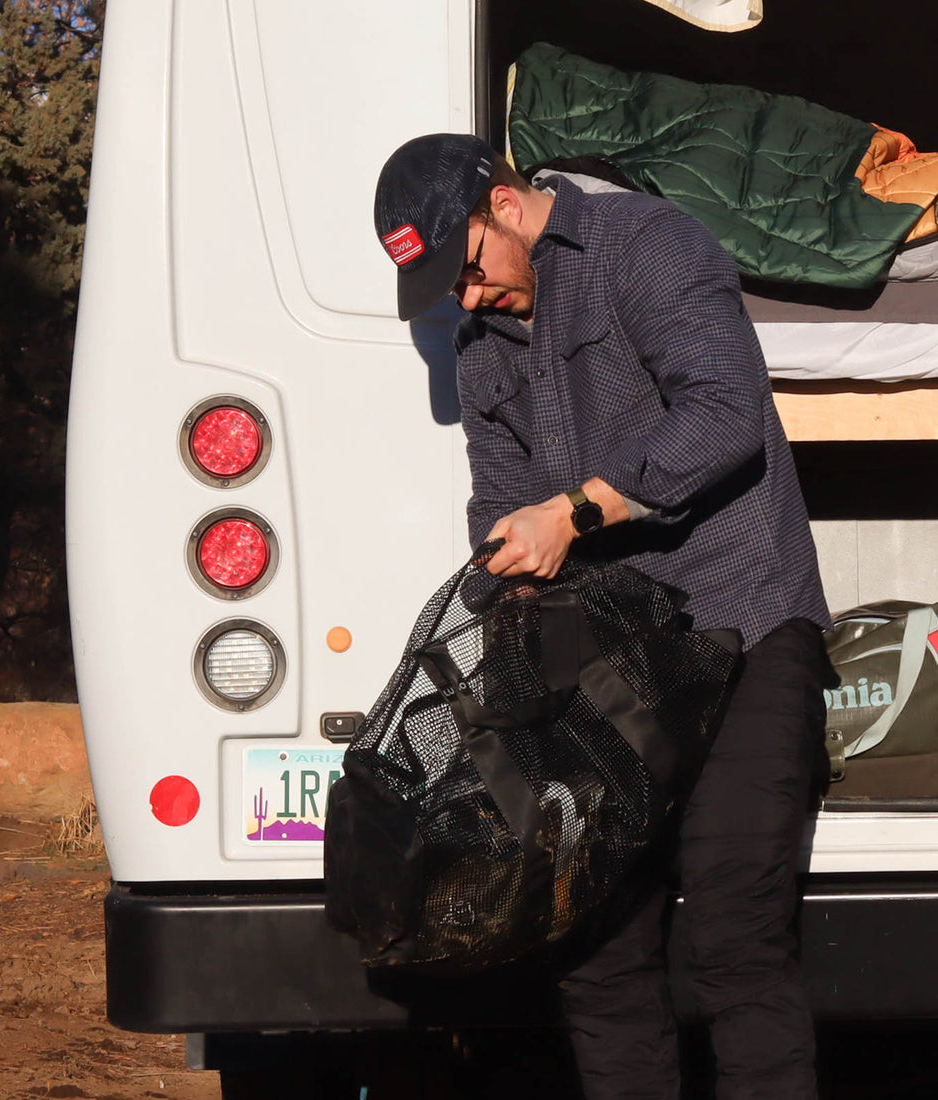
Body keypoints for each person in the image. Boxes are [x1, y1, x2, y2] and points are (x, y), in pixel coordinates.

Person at [373, 132, 835, 1100]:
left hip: (741, 621)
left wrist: (577, 509)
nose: (464, 300)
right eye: (444, 293)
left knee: (733, 930)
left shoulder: (647, 245)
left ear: (500, 205)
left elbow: (723, 410)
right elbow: (497, 493)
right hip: (614, 659)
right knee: (593, 947)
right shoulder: (478, 343)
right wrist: (507, 593)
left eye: (464, 272)